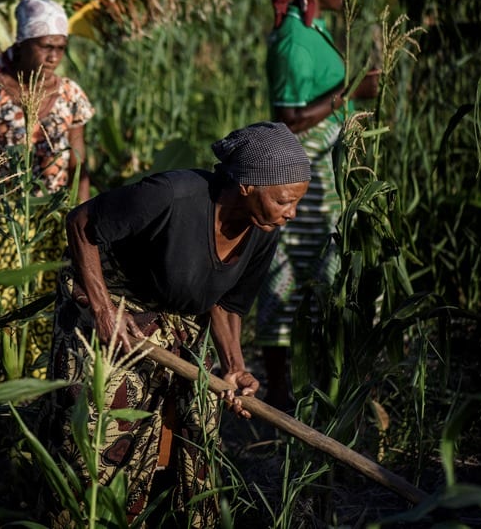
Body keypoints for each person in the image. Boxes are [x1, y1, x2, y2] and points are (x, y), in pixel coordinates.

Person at [41, 121, 311, 526]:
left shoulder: (263, 229)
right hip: (110, 298)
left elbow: (225, 305)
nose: (291, 213)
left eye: (296, 203)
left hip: (176, 312)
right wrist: (101, 309)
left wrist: (234, 366)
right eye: (284, 201)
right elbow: (81, 223)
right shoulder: (172, 195)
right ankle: (88, 515)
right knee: (102, 419)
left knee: (198, 414)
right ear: (247, 186)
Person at [256, 0, 380, 409]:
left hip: (321, 167)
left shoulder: (313, 27)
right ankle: (281, 392)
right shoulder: (292, 42)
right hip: (299, 171)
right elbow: (288, 116)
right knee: (293, 272)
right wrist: (349, 92)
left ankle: (312, 384)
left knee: (321, 271)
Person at [0, 0, 95, 380]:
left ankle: (34, 401)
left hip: (51, 219)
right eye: (46, 46)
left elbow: (79, 167)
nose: (54, 55)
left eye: (60, 47)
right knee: (1, 310)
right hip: (2, 219)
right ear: (23, 43)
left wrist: (83, 230)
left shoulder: (70, 94)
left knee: (46, 307)